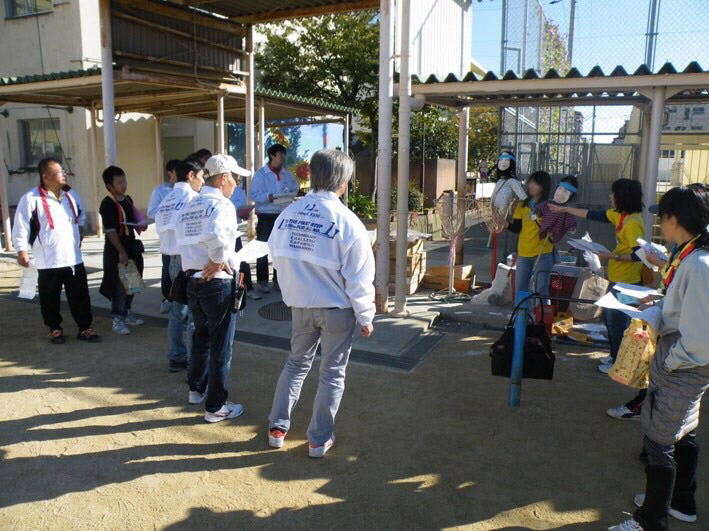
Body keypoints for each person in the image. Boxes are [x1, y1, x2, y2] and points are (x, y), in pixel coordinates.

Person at [610, 184, 709, 531]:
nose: (659, 223)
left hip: (684, 364)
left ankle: (651, 520)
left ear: (675, 220)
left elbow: (701, 337)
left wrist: (671, 361)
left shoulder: (698, 264)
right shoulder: (690, 255)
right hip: (683, 361)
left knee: (659, 442)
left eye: (662, 216)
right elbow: (685, 307)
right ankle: (679, 501)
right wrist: (659, 304)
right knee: (682, 433)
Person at [266, 149, 375, 458]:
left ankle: (277, 428)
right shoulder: (347, 221)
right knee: (332, 372)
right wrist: (366, 315)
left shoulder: (289, 214)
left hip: (299, 306)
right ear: (343, 182)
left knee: (295, 364)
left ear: (312, 175)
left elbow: (276, 254)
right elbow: (359, 276)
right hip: (337, 310)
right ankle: (318, 439)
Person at [176, 154, 251, 422]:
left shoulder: (190, 204)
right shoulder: (223, 205)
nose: (236, 184)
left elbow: (179, 236)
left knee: (201, 339)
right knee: (221, 347)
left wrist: (209, 259)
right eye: (235, 178)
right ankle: (215, 406)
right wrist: (218, 259)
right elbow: (218, 237)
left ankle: (196, 390)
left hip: (193, 280)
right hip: (217, 282)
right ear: (223, 178)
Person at [551, 178, 645, 375]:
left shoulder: (632, 223)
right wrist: (565, 209)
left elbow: (639, 255)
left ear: (622, 196)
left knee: (616, 322)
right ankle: (614, 356)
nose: (610, 197)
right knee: (610, 319)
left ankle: (618, 363)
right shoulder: (620, 215)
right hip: (617, 278)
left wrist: (612, 256)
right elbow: (594, 214)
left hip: (628, 283)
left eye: (613, 193)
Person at [11, 158, 100, 344]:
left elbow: (81, 215)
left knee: (80, 296)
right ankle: (54, 328)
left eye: (64, 171)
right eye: (60, 171)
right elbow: (21, 226)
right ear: (46, 176)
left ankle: (85, 327)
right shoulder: (31, 198)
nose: (64, 174)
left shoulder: (71, 195)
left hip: (73, 258)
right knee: (49, 297)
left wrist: (78, 235)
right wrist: (21, 251)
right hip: (48, 260)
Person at [154, 158, 204, 372]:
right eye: (201, 177)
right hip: (189, 259)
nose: (203, 182)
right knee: (194, 314)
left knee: (177, 311)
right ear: (191, 176)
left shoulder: (166, 199)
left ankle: (176, 357)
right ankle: (195, 362)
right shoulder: (193, 199)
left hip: (172, 260)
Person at [99, 166, 146, 335]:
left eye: (124, 181)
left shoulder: (127, 199)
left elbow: (136, 220)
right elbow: (110, 231)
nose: (124, 185)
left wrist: (142, 224)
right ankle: (117, 317)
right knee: (120, 284)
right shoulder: (107, 203)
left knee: (132, 282)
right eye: (119, 182)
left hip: (131, 245)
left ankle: (126, 312)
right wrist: (121, 251)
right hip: (117, 248)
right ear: (109, 185)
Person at [248, 143, 298, 294]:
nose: (283, 157)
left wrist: (289, 194)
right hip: (266, 216)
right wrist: (268, 197)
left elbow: (295, 188)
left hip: (282, 215)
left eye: (283, 154)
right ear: (272, 156)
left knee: (280, 249)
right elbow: (253, 194)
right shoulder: (261, 174)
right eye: (280, 154)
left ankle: (278, 280)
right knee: (263, 249)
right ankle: (263, 281)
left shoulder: (287, 174)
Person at [505, 171, 554, 296]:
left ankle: (540, 309)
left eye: (535, 183)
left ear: (543, 186)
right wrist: (503, 223)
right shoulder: (522, 205)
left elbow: (556, 230)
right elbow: (516, 228)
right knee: (520, 289)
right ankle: (521, 309)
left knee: (541, 290)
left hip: (543, 253)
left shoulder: (550, 206)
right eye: (530, 182)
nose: (531, 186)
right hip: (524, 253)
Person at [148, 159, 180, 315]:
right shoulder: (161, 191)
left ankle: (179, 300)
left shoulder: (186, 190)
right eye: (176, 171)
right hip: (168, 238)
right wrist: (168, 213)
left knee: (181, 272)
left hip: (182, 240)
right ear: (169, 173)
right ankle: (167, 298)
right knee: (168, 269)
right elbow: (151, 212)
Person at [229, 173, 260, 300]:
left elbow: (243, 213)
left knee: (241, 260)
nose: (237, 178)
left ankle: (248, 288)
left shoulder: (238, 191)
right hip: (220, 233)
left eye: (237, 175)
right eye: (234, 175)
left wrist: (245, 213)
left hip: (234, 230)